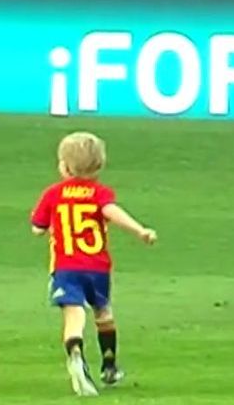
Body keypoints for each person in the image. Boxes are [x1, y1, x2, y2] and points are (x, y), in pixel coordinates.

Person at [30, 131, 157, 396]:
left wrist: (50, 227)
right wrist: (139, 230)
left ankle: (75, 352)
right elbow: (112, 212)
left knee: (74, 312)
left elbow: (38, 228)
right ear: (99, 166)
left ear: (64, 166)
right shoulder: (100, 193)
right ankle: (109, 366)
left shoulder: (53, 194)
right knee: (103, 314)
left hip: (66, 268)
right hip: (97, 267)